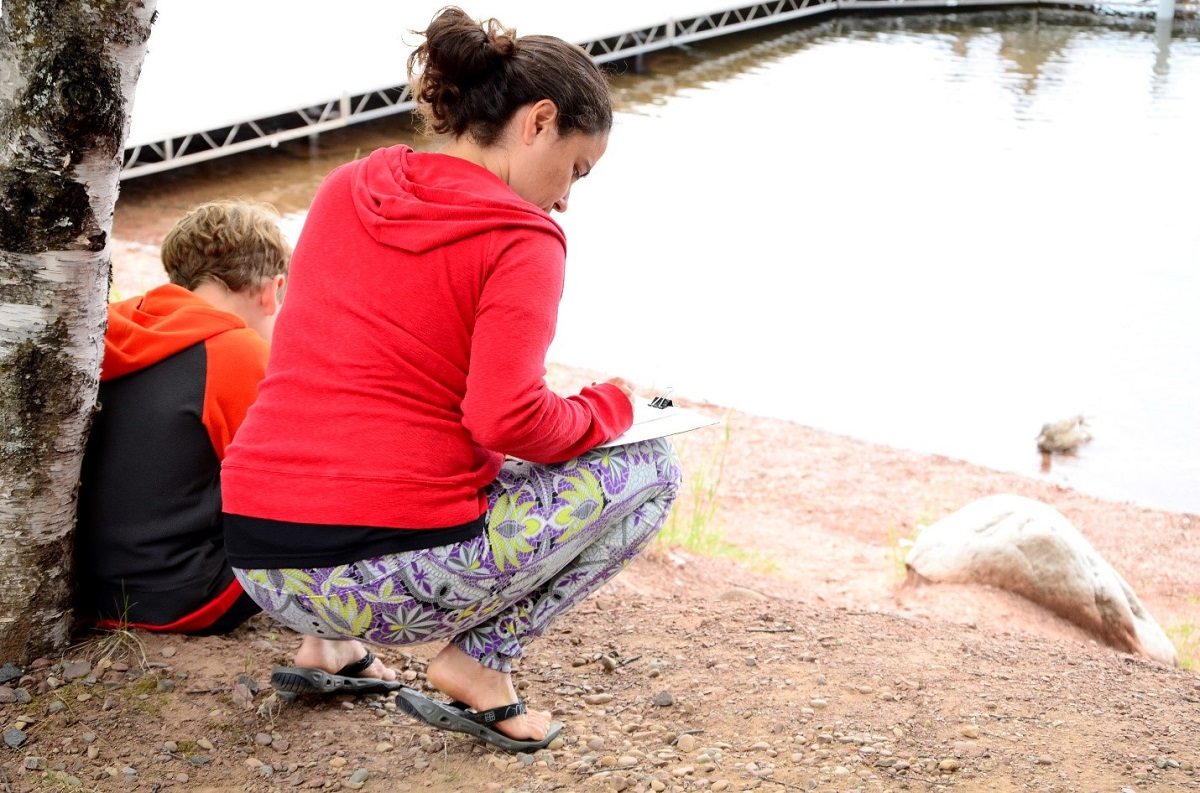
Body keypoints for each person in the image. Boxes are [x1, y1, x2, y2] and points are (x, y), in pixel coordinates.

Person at [220, 6, 682, 753]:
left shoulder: (346, 184)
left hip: (257, 556)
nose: (566, 197)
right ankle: (478, 664)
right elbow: (506, 419)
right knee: (653, 469)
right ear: (538, 121)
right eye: (575, 168)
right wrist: (610, 406)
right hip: (372, 574)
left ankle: (325, 647)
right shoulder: (523, 237)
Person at [74, 200, 290, 635]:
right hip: (186, 598)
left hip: (88, 592)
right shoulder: (236, 352)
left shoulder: (107, 330)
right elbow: (285, 488)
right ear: (271, 289)